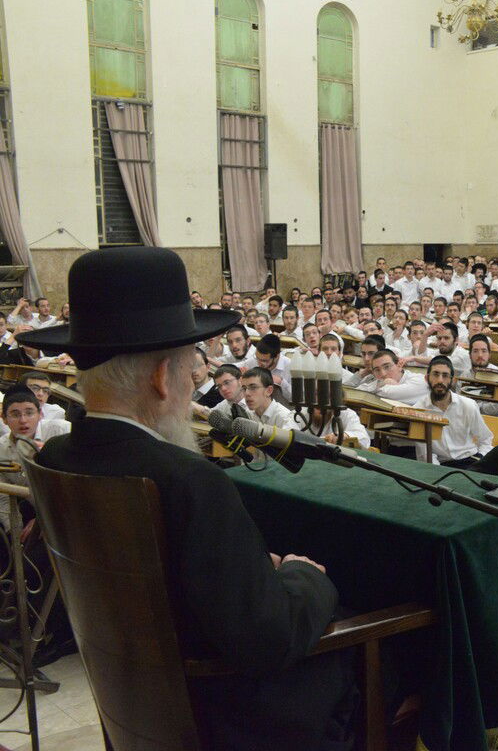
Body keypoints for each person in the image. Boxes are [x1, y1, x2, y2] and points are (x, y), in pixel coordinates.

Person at [21, 247, 357, 750]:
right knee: (388, 652)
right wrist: (302, 573)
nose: (192, 383)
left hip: (137, 705)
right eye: (189, 370)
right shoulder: (190, 481)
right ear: (163, 377)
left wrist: (246, 566)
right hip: (226, 715)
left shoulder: (57, 456)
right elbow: (268, 640)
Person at [413, 355, 493, 467]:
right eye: (435, 374)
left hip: (471, 460)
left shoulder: (468, 405)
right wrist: (438, 472)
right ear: (426, 378)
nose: (440, 380)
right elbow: (426, 454)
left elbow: (485, 440)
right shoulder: (418, 410)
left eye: (445, 375)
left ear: (453, 380)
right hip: (440, 465)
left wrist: (480, 461)